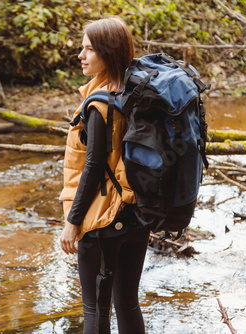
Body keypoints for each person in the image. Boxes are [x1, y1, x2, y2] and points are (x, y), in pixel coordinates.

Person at [59, 16, 149, 334]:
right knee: (127, 303)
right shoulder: (135, 91)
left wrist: (72, 221)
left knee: (95, 311)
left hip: (103, 220)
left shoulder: (100, 106)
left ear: (107, 52)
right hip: (136, 213)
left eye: (88, 49)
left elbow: (93, 167)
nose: (81, 56)